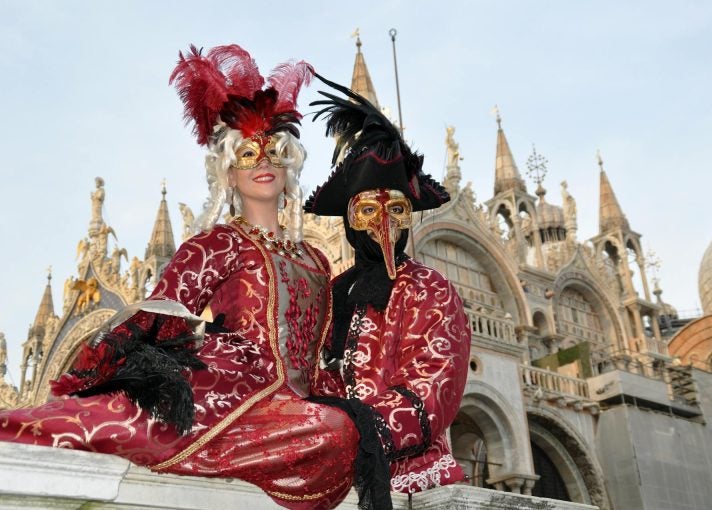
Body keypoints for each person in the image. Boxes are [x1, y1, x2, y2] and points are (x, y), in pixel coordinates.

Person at [0, 45, 358, 510]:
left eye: (274, 151)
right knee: (99, 421)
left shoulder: (316, 259)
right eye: (247, 152)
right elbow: (158, 315)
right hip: (219, 390)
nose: (263, 162)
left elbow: (322, 354)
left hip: (295, 411)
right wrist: (110, 375)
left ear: (290, 164)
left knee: (338, 432)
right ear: (228, 173)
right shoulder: (218, 243)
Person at [304, 74, 471, 509]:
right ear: (348, 218)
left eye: (396, 208)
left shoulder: (429, 288)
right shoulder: (332, 293)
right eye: (368, 209)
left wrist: (354, 432)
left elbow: (435, 384)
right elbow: (314, 374)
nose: (383, 222)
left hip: (411, 476)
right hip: (329, 469)